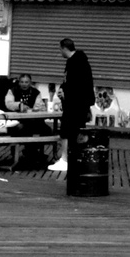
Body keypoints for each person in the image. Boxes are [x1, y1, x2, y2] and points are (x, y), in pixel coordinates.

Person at [56, 38, 95, 171]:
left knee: (67, 130)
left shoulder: (75, 63)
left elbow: (78, 85)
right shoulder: (77, 62)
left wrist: (66, 94)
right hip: (78, 104)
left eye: (60, 49)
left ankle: (65, 159)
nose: (60, 52)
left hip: (75, 104)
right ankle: (76, 158)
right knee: (77, 130)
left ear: (64, 48)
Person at [3, 73, 51, 170]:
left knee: (47, 130)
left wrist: (37, 108)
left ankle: (34, 152)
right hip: (17, 120)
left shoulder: (36, 92)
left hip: (33, 120)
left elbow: (40, 106)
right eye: (22, 82)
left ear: (30, 83)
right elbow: (8, 103)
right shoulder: (12, 91)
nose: (24, 84)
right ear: (19, 83)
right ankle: (29, 154)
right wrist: (19, 106)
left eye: (26, 82)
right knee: (22, 129)